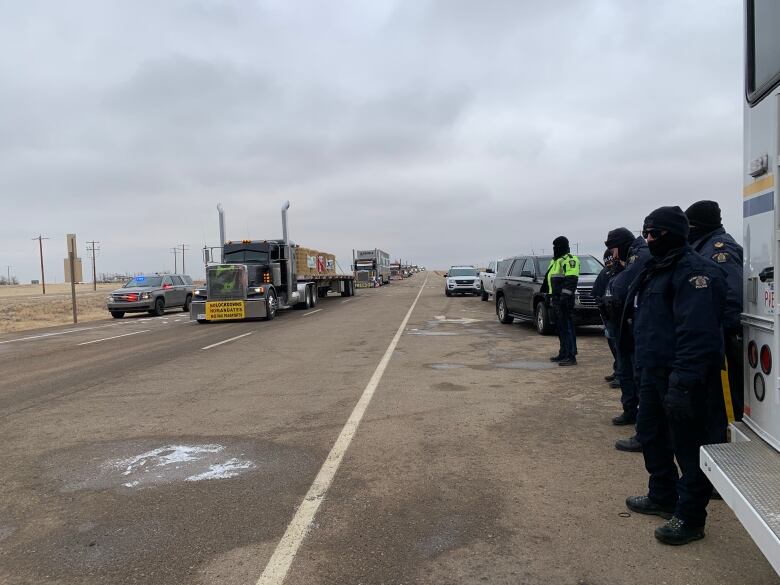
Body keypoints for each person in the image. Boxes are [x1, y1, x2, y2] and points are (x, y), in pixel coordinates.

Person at [621, 206, 727, 545]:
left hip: (684, 378)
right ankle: (662, 495)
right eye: (646, 232)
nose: (648, 239)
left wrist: (682, 383)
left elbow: (697, 335)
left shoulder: (696, 272)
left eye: (654, 233)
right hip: (651, 373)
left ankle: (691, 517)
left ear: (674, 233)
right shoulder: (655, 269)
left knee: (688, 446)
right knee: (651, 435)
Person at [685, 200, 744, 427]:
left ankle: (732, 439)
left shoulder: (719, 250)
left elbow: (731, 297)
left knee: (728, 397)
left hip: (724, 340)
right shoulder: (704, 246)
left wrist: (719, 332)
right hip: (715, 336)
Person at [604, 227, 651, 452]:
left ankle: (644, 430)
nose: (612, 255)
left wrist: (614, 283)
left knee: (639, 377)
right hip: (625, 324)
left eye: (613, 249)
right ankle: (631, 412)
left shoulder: (638, 255)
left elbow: (621, 286)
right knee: (626, 372)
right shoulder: (631, 255)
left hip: (636, 326)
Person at [546, 236, 580, 366]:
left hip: (564, 299)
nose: (555, 248)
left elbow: (571, 280)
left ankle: (571, 356)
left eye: (557, 246)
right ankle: (563, 353)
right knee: (560, 328)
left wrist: (564, 298)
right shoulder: (555, 261)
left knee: (567, 327)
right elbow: (551, 282)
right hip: (556, 299)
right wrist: (550, 297)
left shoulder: (569, 259)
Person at [593, 249, 623, 387]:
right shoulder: (605, 272)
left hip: (617, 317)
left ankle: (621, 374)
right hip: (608, 315)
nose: (610, 264)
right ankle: (618, 371)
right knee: (613, 345)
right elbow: (596, 292)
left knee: (619, 346)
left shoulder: (622, 271)